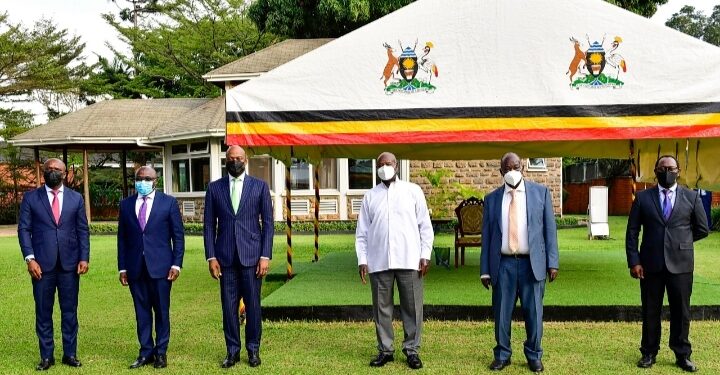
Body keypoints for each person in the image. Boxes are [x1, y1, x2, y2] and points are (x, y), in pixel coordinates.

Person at [626, 155, 708, 373]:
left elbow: (702, 228)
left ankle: (682, 354)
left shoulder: (691, 197)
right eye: (662, 168)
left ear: (678, 170)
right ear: (656, 171)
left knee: (681, 311)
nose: (667, 171)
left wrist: (681, 243)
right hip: (650, 265)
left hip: (681, 265)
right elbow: (632, 232)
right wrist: (634, 261)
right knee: (650, 310)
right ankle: (649, 352)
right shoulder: (643, 198)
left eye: (671, 168)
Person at [480, 152, 559, 373]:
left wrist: (553, 262)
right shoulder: (492, 199)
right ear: (501, 172)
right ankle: (502, 354)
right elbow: (487, 237)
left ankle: (534, 354)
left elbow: (549, 231)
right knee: (501, 314)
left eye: (516, 167)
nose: (512, 172)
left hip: (532, 264)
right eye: (507, 169)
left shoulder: (540, 194)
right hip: (503, 264)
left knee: (534, 312)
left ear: (522, 167)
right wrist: (484, 270)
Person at [355, 152, 434, 370]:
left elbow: (425, 227)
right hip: (378, 261)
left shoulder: (412, 191)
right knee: (382, 309)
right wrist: (363, 259)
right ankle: (385, 350)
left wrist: (425, 254)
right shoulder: (370, 196)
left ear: (396, 166)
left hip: (410, 260)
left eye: (388, 163)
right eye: (380, 164)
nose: (384, 167)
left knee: (413, 307)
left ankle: (412, 350)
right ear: (376, 168)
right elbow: (362, 232)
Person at [204, 145, 274, 368]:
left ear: (246, 160)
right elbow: (208, 226)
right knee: (228, 308)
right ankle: (232, 351)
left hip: (252, 258)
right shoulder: (214, 189)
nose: (235, 161)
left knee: (253, 307)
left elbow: (269, 225)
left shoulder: (259, 187)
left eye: (239, 158)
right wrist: (211, 257)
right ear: (226, 160)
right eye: (231, 158)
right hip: (225, 259)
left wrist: (265, 255)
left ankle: (253, 350)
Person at [18, 158, 90, 371]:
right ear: (43, 172)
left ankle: (70, 354)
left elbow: (82, 230)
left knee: (70, 312)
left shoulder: (76, 199)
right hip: (41, 266)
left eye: (57, 169)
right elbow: (24, 230)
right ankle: (46, 357)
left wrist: (84, 257)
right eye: (48, 169)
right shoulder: (31, 198)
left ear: (65, 173)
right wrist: (30, 258)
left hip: (69, 265)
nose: (52, 172)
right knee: (43, 312)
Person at [117, 166, 185, 369]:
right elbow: (122, 239)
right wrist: (122, 268)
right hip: (135, 268)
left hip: (162, 268)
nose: (143, 182)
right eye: (139, 178)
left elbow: (178, 237)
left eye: (147, 178)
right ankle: (145, 351)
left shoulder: (168, 203)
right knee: (142, 312)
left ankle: (161, 353)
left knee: (162, 311)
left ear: (156, 181)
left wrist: (176, 264)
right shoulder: (126, 204)